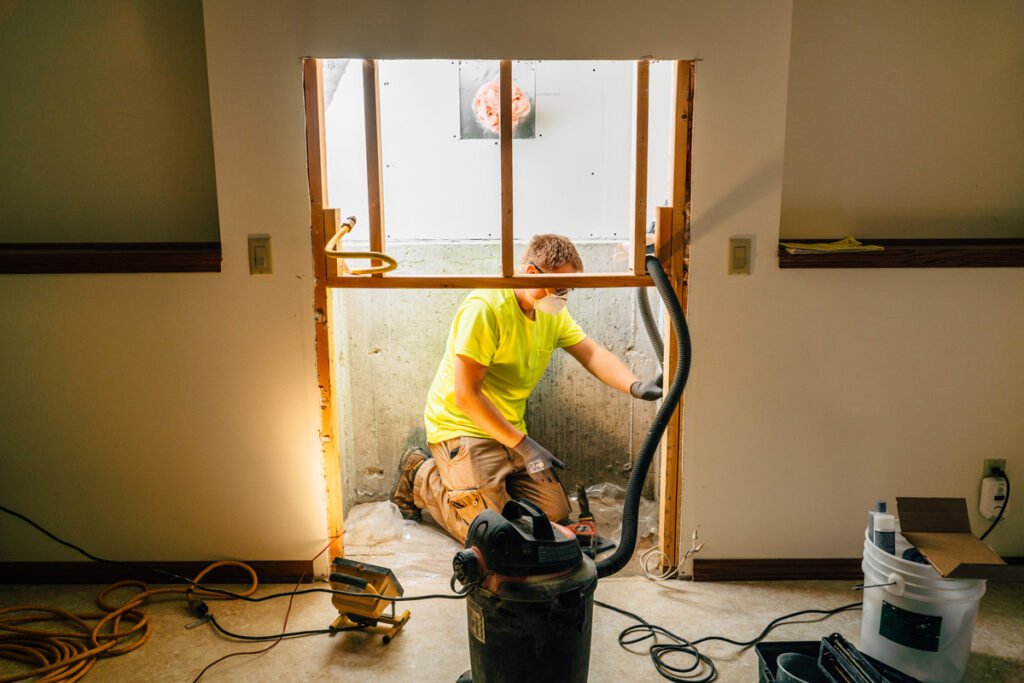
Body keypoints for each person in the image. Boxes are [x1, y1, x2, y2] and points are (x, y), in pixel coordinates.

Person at [391, 234, 662, 543]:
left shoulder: (550, 314)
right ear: (531, 272)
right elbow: (466, 396)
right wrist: (525, 445)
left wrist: (636, 386)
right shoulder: (485, 308)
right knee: (489, 535)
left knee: (555, 516)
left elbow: (591, 353)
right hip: (462, 428)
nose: (563, 296)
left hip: (508, 430)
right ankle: (421, 477)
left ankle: (491, 493)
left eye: (569, 289)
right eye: (559, 287)